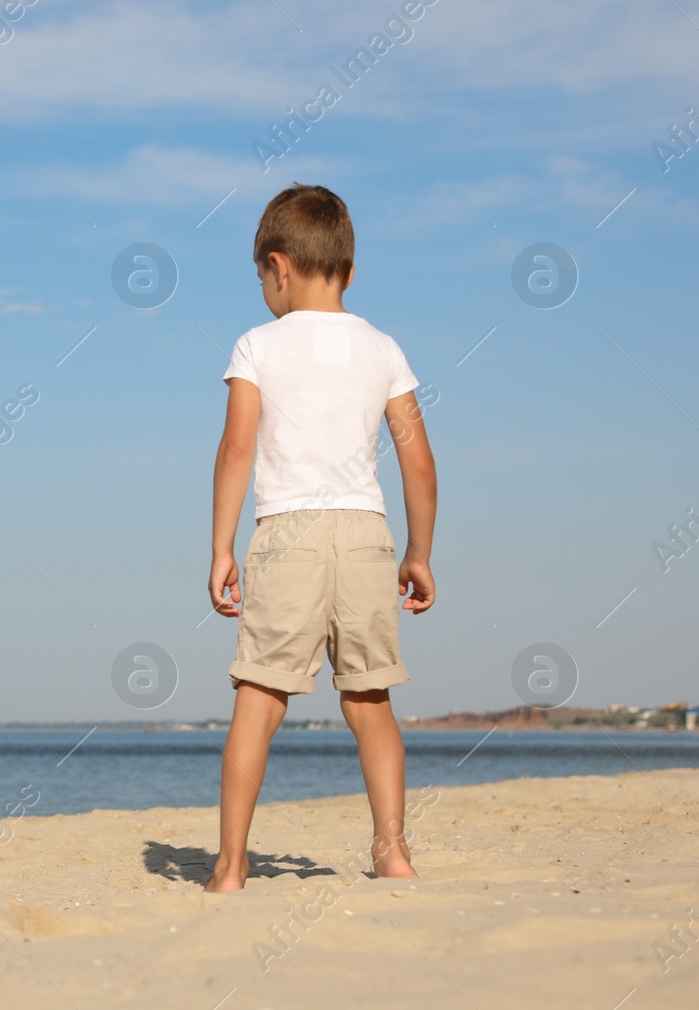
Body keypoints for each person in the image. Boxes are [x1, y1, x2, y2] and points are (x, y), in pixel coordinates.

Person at [204, 183, 437, 892]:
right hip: (366, 532)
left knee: (260, 699)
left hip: (290, 533)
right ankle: (392, 849)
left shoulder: (258, 345)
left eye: (261, 279)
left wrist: (221, 546)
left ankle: (232, 862)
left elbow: (237, 449)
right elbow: (417, 458)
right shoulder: (383, 347)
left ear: (277, 266)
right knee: (370, 702)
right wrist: (419, 552)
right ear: (349, 271)